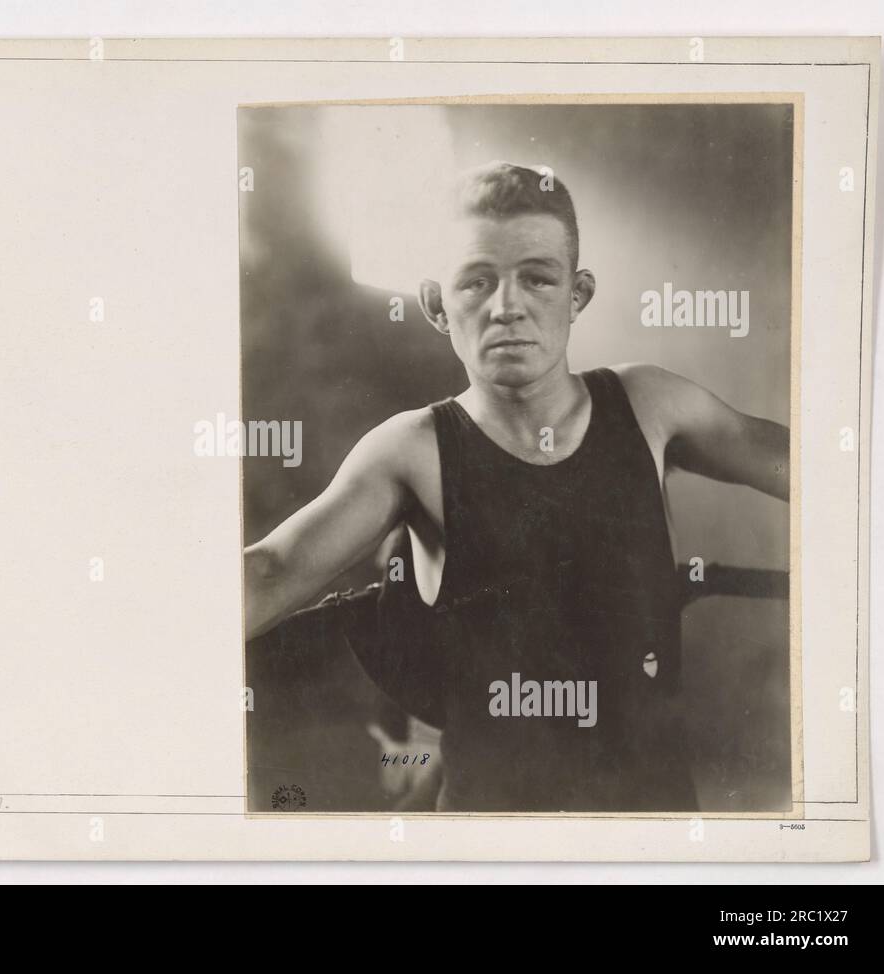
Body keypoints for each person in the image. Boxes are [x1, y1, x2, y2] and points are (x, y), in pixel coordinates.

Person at [243, 162, 789, 812]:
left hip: (653, 837)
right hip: (489, 847)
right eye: (477, 281)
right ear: (435, 304)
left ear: (577, 294)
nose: (507, 306)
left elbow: (822, 466)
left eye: (537, 277)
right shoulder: (411, 449)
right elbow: (270, 571)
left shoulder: (650, 404)